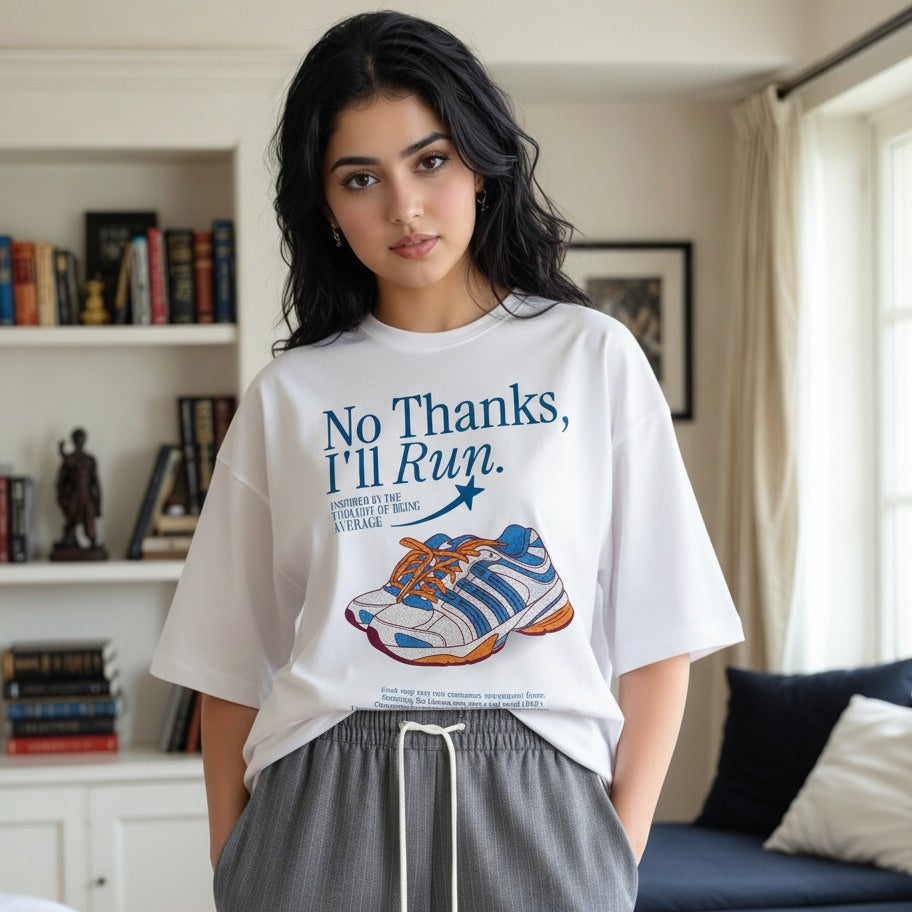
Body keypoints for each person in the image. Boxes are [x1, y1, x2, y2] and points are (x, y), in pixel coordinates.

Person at [151, 11, 743, 912]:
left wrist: (613, 853)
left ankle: (497, 586)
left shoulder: (592, 356)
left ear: (480, 159)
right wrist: (233, 859)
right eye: (362, 178)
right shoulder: (291, 394)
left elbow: (664, 634)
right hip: (321, 802)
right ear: (327, 206)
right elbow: (227, 657)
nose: (405, 208)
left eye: (429, 161)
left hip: (536, 791)